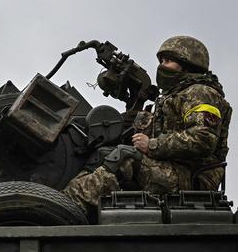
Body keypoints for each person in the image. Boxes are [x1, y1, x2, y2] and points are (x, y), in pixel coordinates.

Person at [62, 36, 231, 212]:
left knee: (124, 157)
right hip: (173, 168)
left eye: (168, 61)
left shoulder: (201, 93)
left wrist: (151, 145)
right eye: (162, 61)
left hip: (192, 178)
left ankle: (67, 206)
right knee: (104, 153)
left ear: (188, 65)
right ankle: (67, 200)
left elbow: (202, 139)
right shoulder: (171, 97)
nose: (162, 66)